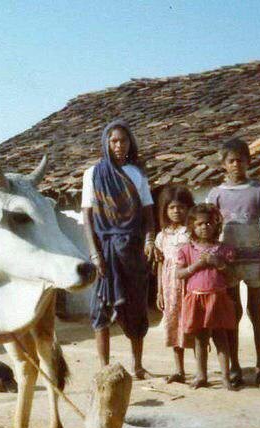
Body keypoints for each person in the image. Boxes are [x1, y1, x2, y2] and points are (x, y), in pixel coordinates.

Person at [81, 120, 156, 379]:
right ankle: (104, 367)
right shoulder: (93, 174)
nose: (118, 145)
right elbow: (87, 218)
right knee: (100, 309)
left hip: (132, 250)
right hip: (105, 250)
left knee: (136, 308)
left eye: (123, 140)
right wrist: (94, 254)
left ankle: (137, 365)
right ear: (105, 143)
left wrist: (149, 241)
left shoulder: (137, 174)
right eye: (113, 140)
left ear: (130, 143)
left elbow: (148, 213)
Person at [206, 138, 260, 388]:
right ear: (223, 165)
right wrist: (213, 258)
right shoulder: (216, 194)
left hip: (255, 258)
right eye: (231, 161)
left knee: (256, 311)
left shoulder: (259, 191)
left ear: (249, 161)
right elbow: (209, 229)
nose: (236, 164)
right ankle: (235, 366)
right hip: (228, 261)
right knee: (232, 313)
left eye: (240, 160)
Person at [176, 204, 238, 390]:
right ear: (192, 227)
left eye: (209, 223)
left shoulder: (224, 249)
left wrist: (219, 264)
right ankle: (201, 376)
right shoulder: (187, 250)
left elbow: (234, 275)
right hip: (196, 299)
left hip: (217, 298)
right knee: (200, 340)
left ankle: (226, 377)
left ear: (216, 225)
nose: (205, 227)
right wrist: (197, 265)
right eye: (200, 223)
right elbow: (179, 274)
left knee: (221, 338)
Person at [154, 185, 195, 383]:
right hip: (170, 288)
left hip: (190, 285)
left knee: (193, 325)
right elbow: (161, 265)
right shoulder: (162, 236)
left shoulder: (192, 233)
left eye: (180, 207)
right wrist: (159, 292)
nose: (176, 211)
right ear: (165, 210)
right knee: (173, 325)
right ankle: (179, 370)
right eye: (171, 208)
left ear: (188, 208)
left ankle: (201, 370)